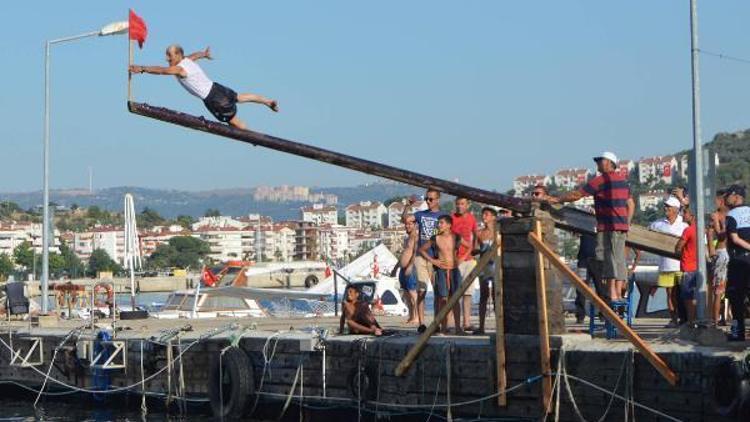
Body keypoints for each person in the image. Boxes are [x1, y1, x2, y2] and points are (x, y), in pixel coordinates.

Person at [545, 152, 635, 305]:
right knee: (619, 258)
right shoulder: (623, 181)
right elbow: (631, 204)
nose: (598, 164)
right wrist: (627, 223)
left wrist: (557, 199)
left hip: (607, 226)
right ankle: (618, 292)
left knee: (607, 258)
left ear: (608, 163)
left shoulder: (600, 180)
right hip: (620, 226)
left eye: (600, 161)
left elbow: (576, 195)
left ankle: (611, 293)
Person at [129, 45, 278, 130]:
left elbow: (162, 71)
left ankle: (253, 137)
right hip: (217, 88)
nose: (167, 59)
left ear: (179, 55)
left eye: (170, 56)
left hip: (213, 99)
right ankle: (268, 101)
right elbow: (195, 55)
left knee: (233, 121)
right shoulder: (187, 60)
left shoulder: (179, 68)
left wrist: (142, 68)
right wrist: (204, 54)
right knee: (240, 97)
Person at [405, 189, 447, 326]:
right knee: (421, 290)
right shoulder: (420, 214)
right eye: (427, 199)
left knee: (438, 293)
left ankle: (436, 322)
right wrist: (407, 206)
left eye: (431, 199)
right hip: (421, 257)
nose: (428, 202)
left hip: (435, 256)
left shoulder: (443, 215)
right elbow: (406, 220)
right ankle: (422, 323)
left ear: (438, 200)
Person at [649, 196, 688, 328]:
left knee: (682, 293)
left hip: (681, 265)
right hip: (665, 265)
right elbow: (647, 234)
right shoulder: (657, 224)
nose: (666, 208)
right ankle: (673, 319)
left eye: (669, 207)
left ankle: (685, 318)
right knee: (670, 293)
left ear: (676, 210)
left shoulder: (684, 225)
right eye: (665, 206)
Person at [419, 215, 461, 334]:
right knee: (442, 299)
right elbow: (421, 249)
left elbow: (468, 246)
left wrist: (461, 259)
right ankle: (443, 327)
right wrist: (433, 260)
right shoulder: (435, 238)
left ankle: (458, 328)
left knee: (455, 298)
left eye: (441, 223)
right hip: (441, 270)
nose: (439, 225)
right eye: (439, 223)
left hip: (453, 269)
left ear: (449, 225)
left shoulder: (456, 237)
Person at [724, 185, 750, 341]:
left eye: (728, 195)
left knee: (736, 296)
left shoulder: (732, 215)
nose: (726, 198)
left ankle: (738, 331)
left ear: (735, 196)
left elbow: (733, 238)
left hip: (739, 259)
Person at [451, 197, 479, 332]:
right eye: (457, 204)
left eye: (462, 204)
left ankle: (466, 322)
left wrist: (473, 251)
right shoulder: (451, 218)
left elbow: (475, 235)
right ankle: (454, 323)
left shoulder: (472, 219)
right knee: (455, 292)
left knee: (468, 292)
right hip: (455, 259)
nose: (459, 206)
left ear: (468, 205)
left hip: (469, 259)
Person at [474, 207, 498, 334]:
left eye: (487, 214)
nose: (484, 216)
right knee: (483, 295)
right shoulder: (479, 233)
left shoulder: (498, 232)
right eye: (483, 214)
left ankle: (499, 326)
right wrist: (479, 250)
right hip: (484, 265)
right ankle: (481, 327)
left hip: (495, 265)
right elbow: (474, 249)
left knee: (496, 295)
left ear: (493, 217)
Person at [708, 189, 729, 325]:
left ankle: (715, 320)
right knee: (720, 289)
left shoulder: (720, 216)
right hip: (724, 253)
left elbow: (722, 235)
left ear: (720, 201)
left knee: (718, 290)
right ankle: (720, 318)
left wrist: (715, 225)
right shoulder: (728, 215)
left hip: (722, 253)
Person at [675, 207, 698, 324]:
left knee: (688, 297)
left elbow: (678, 247)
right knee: (695, 295)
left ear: (692, 216)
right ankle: (695, 319)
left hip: (688, 267)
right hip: (697, 267)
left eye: (685, 213)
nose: (683, 215)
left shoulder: (688, 230)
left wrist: (679, 250)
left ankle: (690, 321)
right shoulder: (700, 230)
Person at [396, 214, 419, 325]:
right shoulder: (407, 237)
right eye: (406, 224)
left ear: (415, 225)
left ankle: (416, 316)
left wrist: (410, 265)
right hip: (402, 268)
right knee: (406, 293)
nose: (407, 226)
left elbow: (415, 252)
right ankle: (411, 316)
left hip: (411, 268)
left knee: (412, 292)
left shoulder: (415, 236)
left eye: (410, 224)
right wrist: (395, 268)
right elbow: (403, 254)